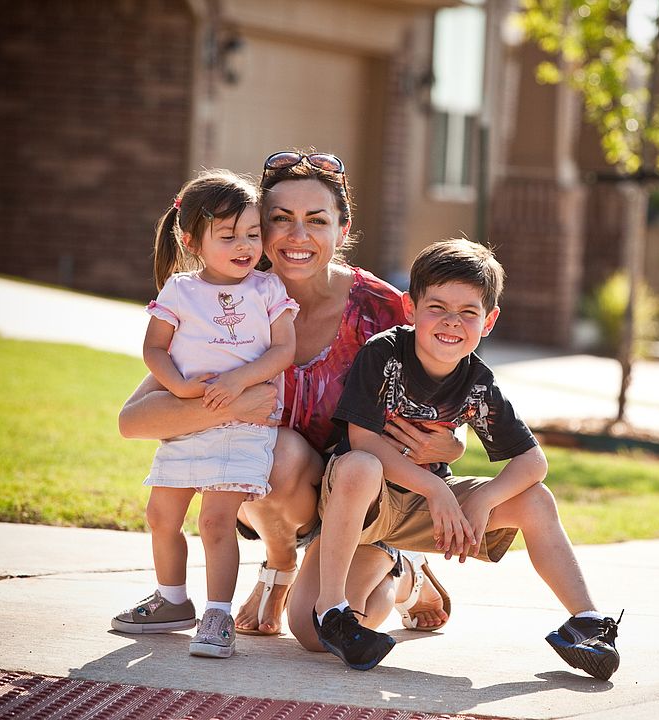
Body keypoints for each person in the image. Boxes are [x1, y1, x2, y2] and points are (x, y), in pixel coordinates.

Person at [117, 151, 457, 648]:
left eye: (316, 221)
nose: (298, 237)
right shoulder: (232, 303)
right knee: (270, 450)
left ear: (342, 230)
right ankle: (279, 564)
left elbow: (445, 418)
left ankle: (405, 574)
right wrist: (233, 403)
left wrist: (450, 447)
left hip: (364, 502)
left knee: (319, 636)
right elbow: (134, 421)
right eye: (280, 220)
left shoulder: (384, 310)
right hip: (285, 491)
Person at [310, 238, 622, 679]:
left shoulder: (478, 382)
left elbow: (533, 462)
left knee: (536, 499)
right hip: (362, 507)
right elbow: (361, 441)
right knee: (310, 637)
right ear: (410, 309)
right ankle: (335, 609)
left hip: (423, 512)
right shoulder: (384, 353)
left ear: (489, 320)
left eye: (468, 312)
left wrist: (484, 499)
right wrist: (436, 487)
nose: (451, 322)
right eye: (436, 307)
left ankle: (586, 621)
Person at [111, 170, 299, 660]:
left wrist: (239, 379)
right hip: (189, 418)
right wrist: (177, 386)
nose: (245, 245)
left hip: (243, 426)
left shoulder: (267, 289)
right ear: (191, 239)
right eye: (229, 235)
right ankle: (173, 599)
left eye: (253, 234)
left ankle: (218, 614)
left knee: (216, 522)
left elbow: (283, 350)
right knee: (160, 515)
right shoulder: (179, 290)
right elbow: (154, 348)